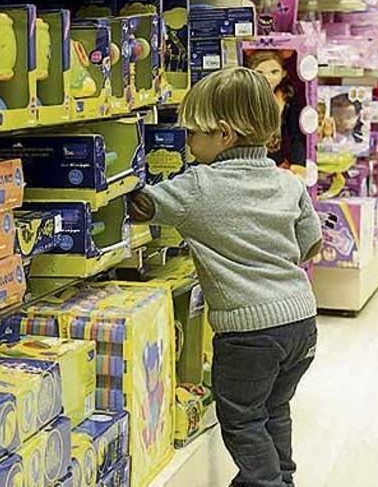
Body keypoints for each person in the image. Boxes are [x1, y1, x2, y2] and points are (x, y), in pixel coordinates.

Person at [128, 67, 322, 487]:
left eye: (192, 134)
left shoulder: (199, 185)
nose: (187, 143)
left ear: (223, 135)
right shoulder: (288, 184)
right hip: (301, 323)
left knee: (241, 418)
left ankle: (263, 482)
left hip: (248, 333)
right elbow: (310, 244)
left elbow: (142, 206)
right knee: (274, 408)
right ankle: (280, 477)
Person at [246, 50, 306, 176]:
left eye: (274, 72)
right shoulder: (245, 98)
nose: (267, 77)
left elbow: (296, 134)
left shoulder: (287, 99)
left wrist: (298, 162)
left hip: (278, 164)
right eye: (259, 72)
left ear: (284, 73)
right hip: (250, 162)